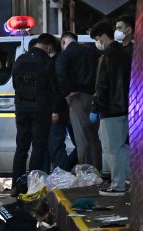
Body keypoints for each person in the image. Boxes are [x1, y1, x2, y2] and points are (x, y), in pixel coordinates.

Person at [11, 33, 58, 196]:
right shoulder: (47, 62)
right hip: (40, 108)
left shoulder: (20, 59)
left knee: (21, 147)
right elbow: (53, 87)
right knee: (38, 146)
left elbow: (15, 83)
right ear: (49, 46)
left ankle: (15, 185)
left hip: (22, 107)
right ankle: (33, 185)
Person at [89, 21, 131, 197]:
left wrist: (95, 107)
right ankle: (127, 181)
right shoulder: (125, 53)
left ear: (103, 36)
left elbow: (102, 86)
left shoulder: (107, 56)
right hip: (126, 108)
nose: (98, 42)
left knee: (112, 149)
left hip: (110, 109)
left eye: (98, 38)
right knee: (123, 148)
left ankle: (118, 185)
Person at [55, 31, 102, 170]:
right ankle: (97, 171)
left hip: (77, 98)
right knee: (94, 138)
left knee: (82, 138)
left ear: (63, 42)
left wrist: (67, 93)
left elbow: (61, 75)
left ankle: (86, 173)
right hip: (94, 98)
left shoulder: (65, 55)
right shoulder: (92, 52)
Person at [49, 37, 78, 171]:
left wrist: (54, 109)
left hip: (60, 109)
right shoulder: (68, 61)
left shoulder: (55, 62)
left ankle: (63, 170)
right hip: (71, 106)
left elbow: (55, 88)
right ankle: (64, 169)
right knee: (80, 142)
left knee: (56, 143)